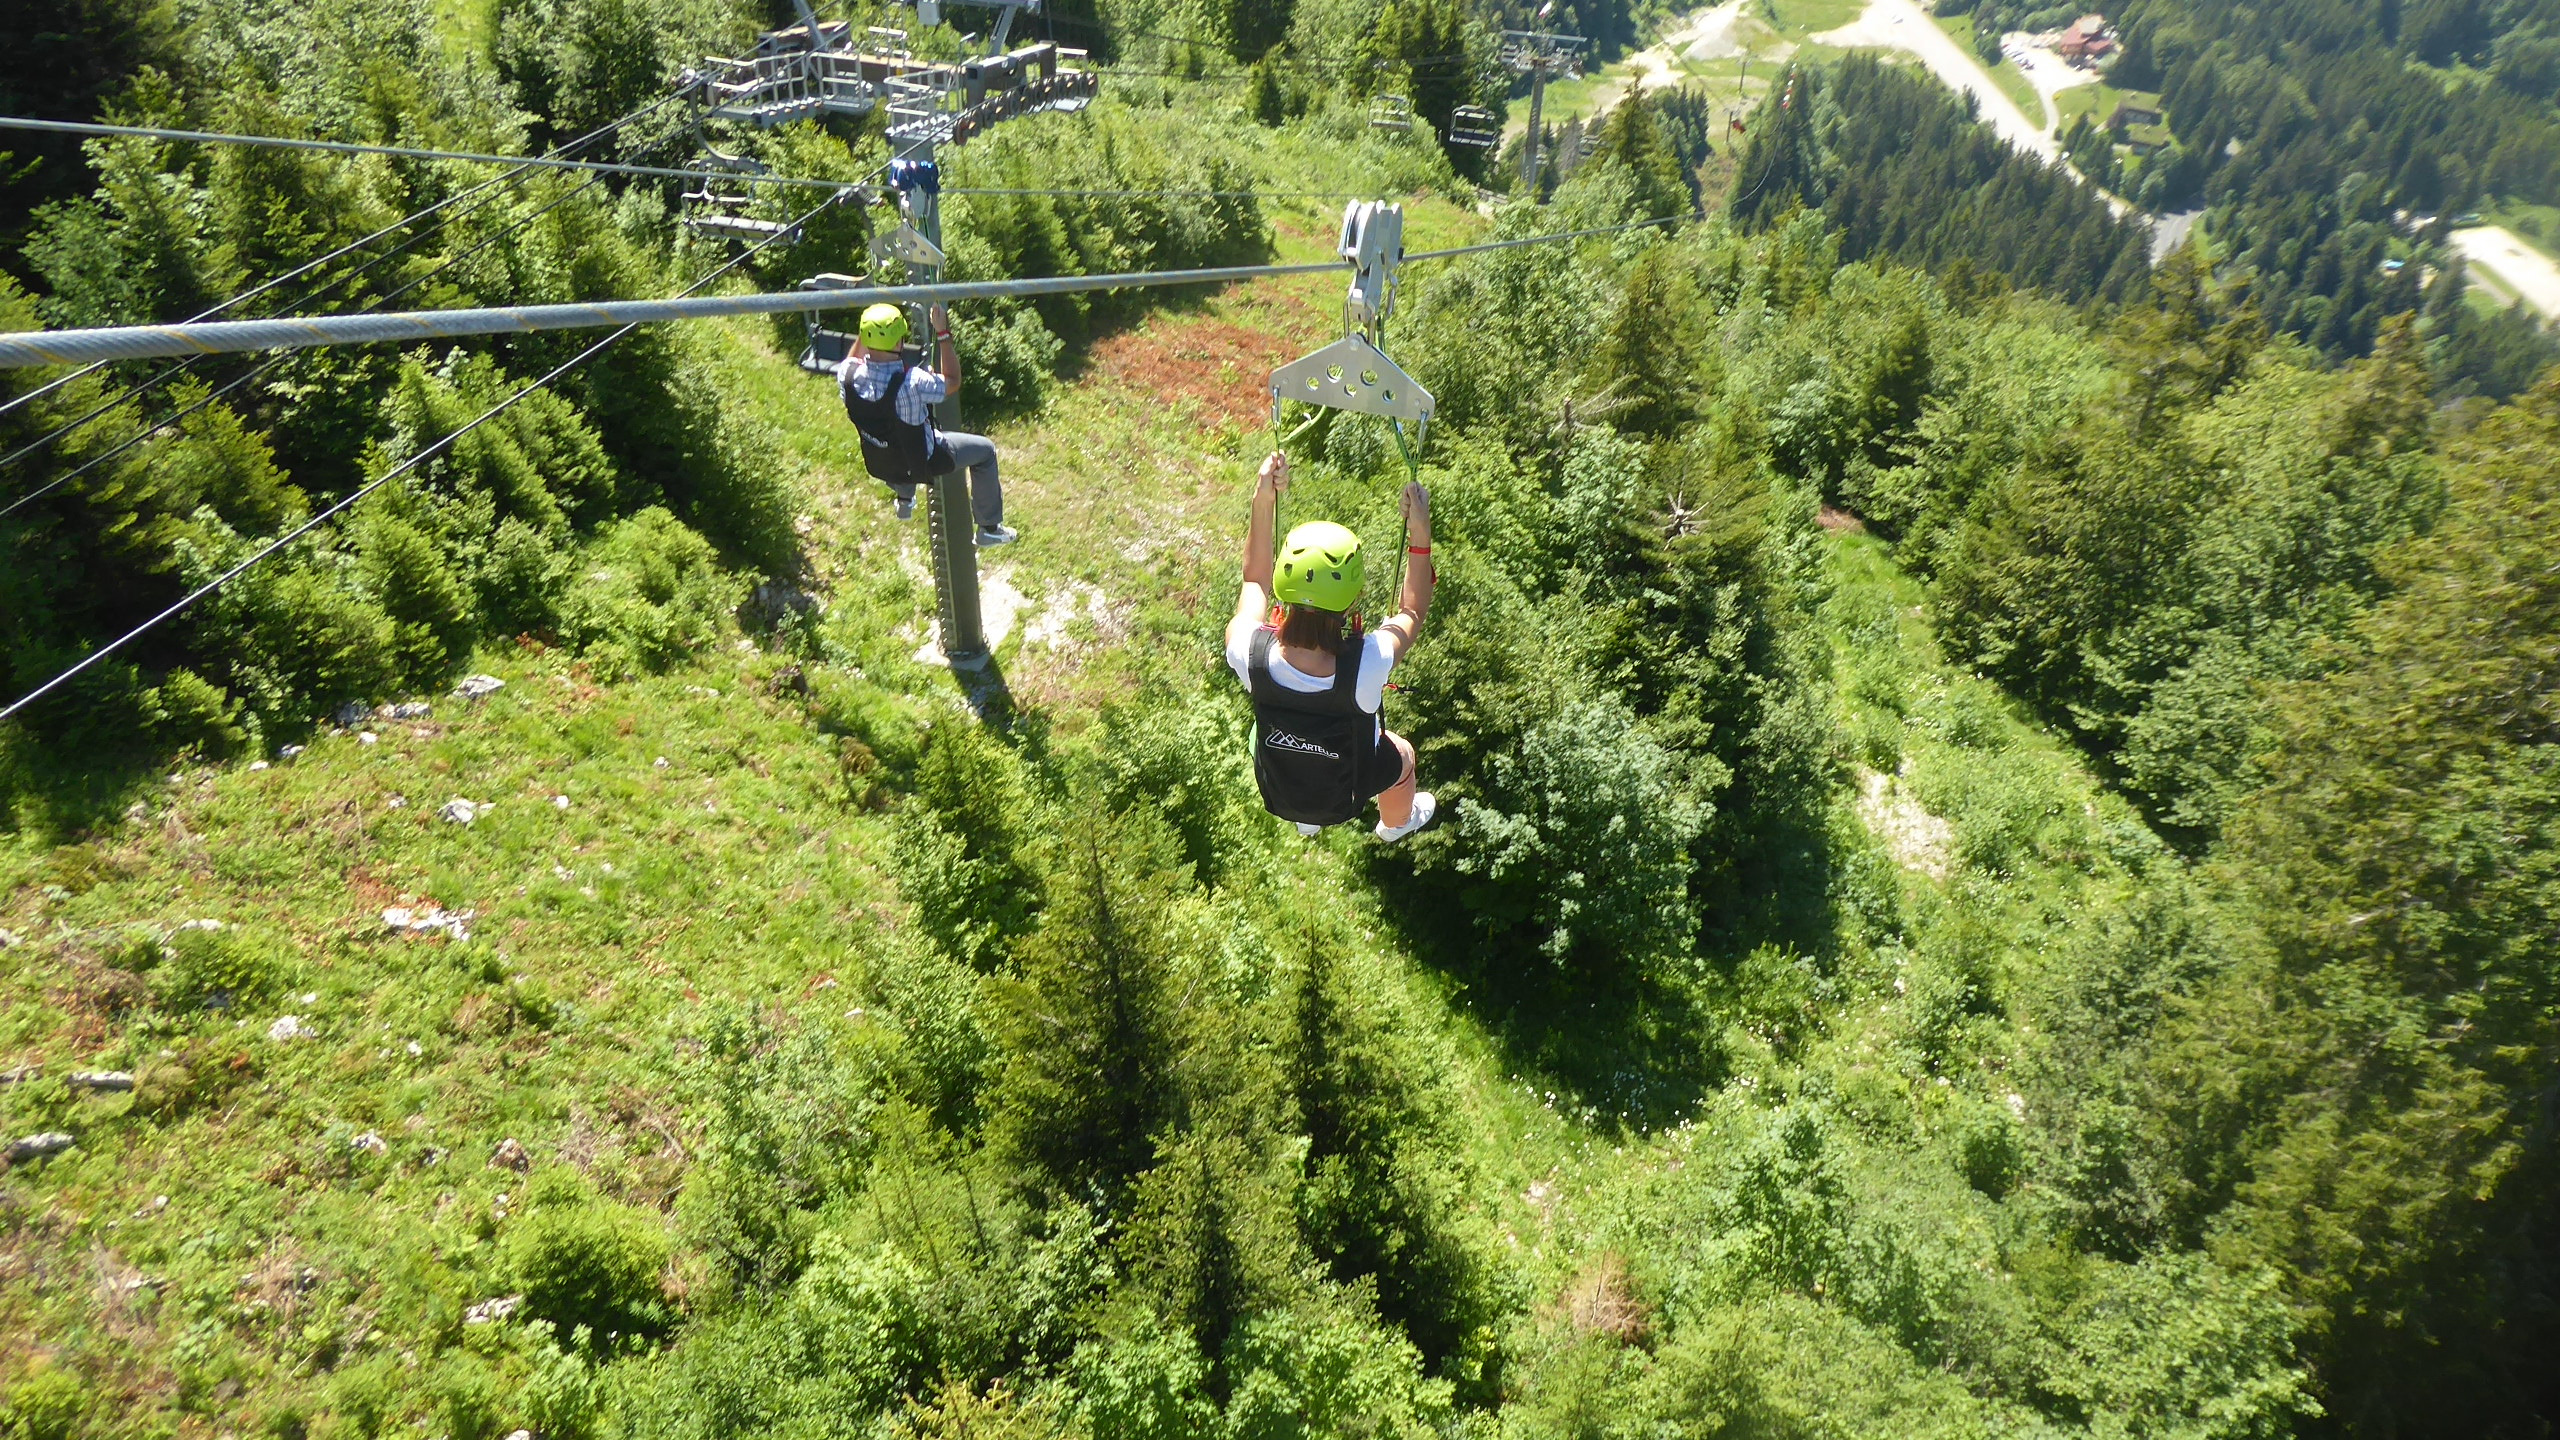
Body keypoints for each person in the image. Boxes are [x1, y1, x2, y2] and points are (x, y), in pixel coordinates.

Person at [1227, 450, 1437, 841]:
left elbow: (1253, 580)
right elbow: (1412, 610)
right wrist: (1420, 533)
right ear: (1353, 602)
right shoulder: (1368, 662)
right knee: (1403, 755)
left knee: (1263, 733)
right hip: (1345, 793)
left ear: (1282, 585)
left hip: (1280, 785)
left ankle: (1307, 821)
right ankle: (1395, 825)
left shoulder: (1247, 650)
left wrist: (1263, 496)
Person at [837, 301, 1016, 545]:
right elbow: (952, 381)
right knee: (985, 451)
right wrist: (943, 333)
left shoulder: (847, 377)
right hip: (926, 461)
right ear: (899, 342)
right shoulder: (913, 382)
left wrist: (869, 324)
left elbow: (855, 358)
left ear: (865, 336)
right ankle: (989, 528)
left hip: (881, 463)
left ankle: (905, 499)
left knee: (892, 441)